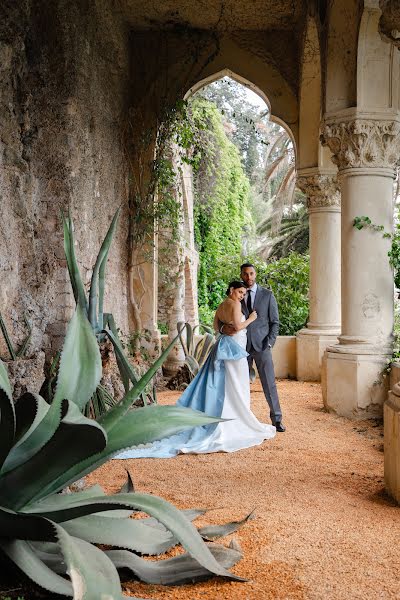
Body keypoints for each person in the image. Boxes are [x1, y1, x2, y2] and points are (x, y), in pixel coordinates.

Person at [116, 280, 276, 459]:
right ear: (232, 290)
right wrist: (251, 319)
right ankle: (234, 418)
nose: (242, 296)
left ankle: (225, 412)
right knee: (236, 384)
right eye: (239, 292)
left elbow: (217, 327)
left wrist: (226, 329)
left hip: (223, 344)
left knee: (226, 382)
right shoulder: (235, 304)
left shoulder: (222, 304)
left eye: (243, 293)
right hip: (234, 350)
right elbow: (238, 327)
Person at [220, 264, 285, 432]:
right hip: (239, 347)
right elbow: (222, 318)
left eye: (251, 273)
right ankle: (241, 419)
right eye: (245, 274)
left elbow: (275, 322)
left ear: (255, 274)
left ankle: (276, 419)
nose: (249, 277)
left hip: (262, 346)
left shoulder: (267, 295)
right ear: (241, 275)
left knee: (269, 383)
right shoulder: (236, 296)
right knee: (238, 382)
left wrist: (269, 342)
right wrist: (222, 329)